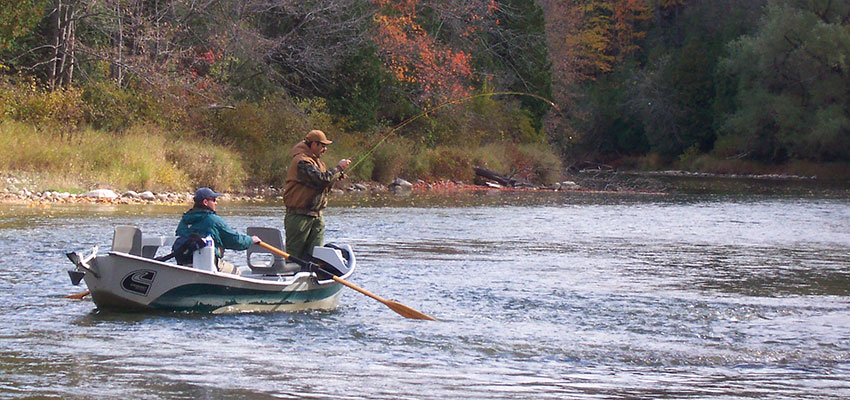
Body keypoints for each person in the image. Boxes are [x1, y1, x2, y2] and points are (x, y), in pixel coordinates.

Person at [284, 129, 350, 260]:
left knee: (316, 255)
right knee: (295, 256)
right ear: (314, 144)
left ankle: (313, 278)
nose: (325, 149)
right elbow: (321, 179)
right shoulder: (302, 161)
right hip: (299, 217)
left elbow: (322, 184)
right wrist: (338, 168)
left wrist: (335, 177)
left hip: (317, 215)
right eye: (323, 145)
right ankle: (292, 278)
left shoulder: (317, 162)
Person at [175, 187, 260, 274]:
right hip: (209, 265)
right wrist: (251, 240)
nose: (216, 203)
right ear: (205, 202)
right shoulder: (214, 220)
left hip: (184, 265)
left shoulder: (184, 220)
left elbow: (178, 236)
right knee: (237, 272)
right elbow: (235, 241)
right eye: (214, 200)